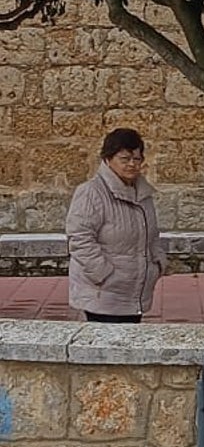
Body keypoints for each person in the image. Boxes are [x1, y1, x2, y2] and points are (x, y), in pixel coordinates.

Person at [66, 128, 167, 322]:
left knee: (130, 346)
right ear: (108, 159)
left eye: (137, 159)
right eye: (125, 158)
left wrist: (157, 263)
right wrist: (104, 274)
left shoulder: (142, 194)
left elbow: (151, 235)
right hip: (103, 293)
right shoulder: (90, 192)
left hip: (135, 291)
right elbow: (80, 239)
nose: (132, 164)